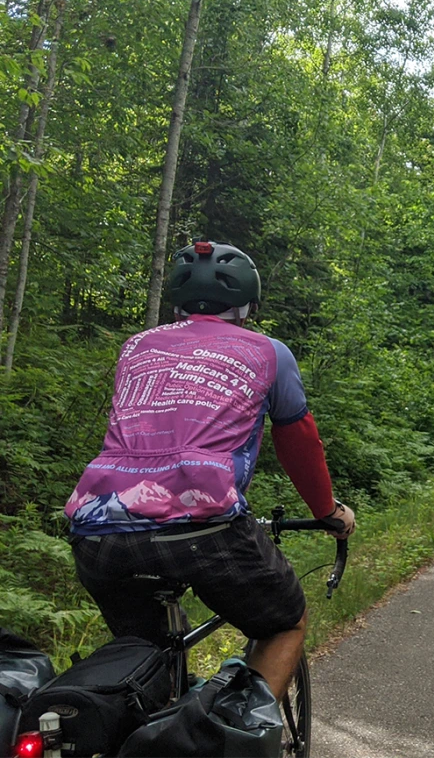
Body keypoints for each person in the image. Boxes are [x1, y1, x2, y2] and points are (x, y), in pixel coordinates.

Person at [66, 240, 355, 702]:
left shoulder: (136, 346)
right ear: (248, 304)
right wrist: (328, 510)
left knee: (145, 655)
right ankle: (237, 735)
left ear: (177, 299)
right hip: (202, 526)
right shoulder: (268, 352)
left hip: (96, 528)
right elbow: (299, 442)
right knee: (285, 622)